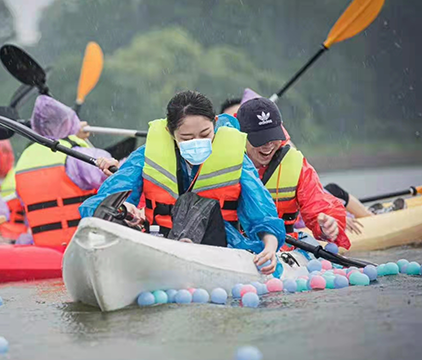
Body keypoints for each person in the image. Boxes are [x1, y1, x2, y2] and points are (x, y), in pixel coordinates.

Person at [80, 90, 285, 275]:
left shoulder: (236, 157)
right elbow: (104, 202)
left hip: (219, 246)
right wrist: (125, 207)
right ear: (170, 132)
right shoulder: (146, 156)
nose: (197, 142)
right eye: (187, 137)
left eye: (205, 134)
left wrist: (269, 247)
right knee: (109, 211)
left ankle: (184, 248)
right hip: (159, 240)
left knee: (190, 202)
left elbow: (264, 215)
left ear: (215, 123)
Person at [237, 97, 352, 249]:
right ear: (240, 137)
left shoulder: (296, 164)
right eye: (260, 139)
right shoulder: (227, 163)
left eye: (272, 136)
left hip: (285, 245)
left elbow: (318, 203)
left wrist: (326, 224)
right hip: (237, 245)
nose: (268, 145)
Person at [14, 95, 118, 249]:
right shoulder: (74, 156)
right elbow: (116, 176)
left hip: (44, 250)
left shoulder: (23, 161)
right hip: (81, 246)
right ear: (65, 124)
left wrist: (73, 135)